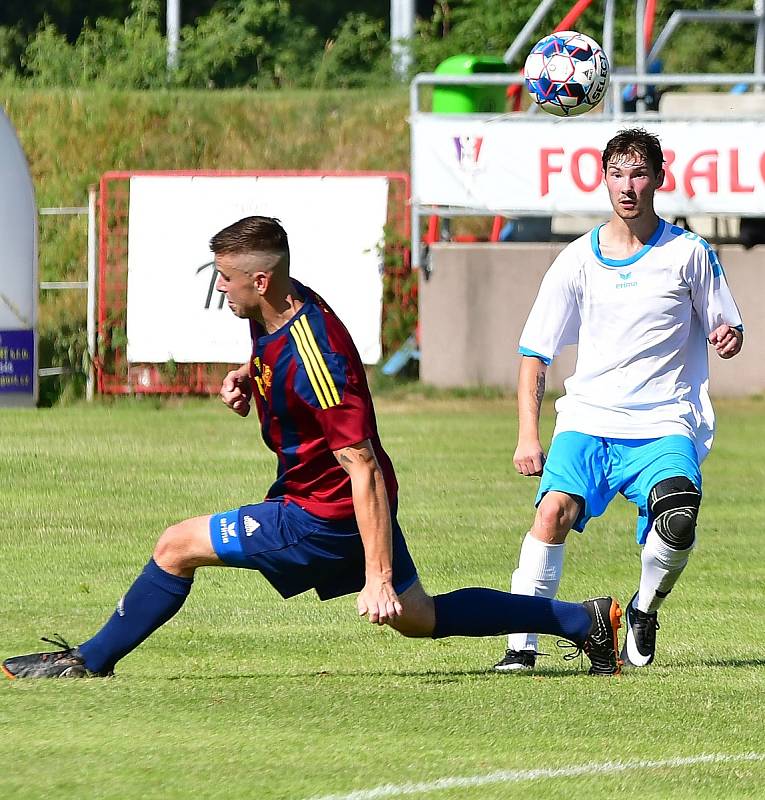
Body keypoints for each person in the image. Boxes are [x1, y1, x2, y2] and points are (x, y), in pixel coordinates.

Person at [3, 215, 622, 681]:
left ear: (262, 279)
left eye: (227, 278)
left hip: (322, 517)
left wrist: (375, 574)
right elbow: (274, 349)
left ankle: (87, 662)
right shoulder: (275, 307)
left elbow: (364, 466)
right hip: (329, 506)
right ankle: (582, 620)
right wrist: (250, 375)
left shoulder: (314, 353)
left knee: (176, 545)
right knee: (420, 616)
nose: (221, 288)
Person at [494, 128, 744, 674]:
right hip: (589, 419)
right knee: (552, 512)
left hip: (664, 422)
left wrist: (728, 338)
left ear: (658, 177)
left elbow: (728, 325)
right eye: (616, 173)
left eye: (637, 174)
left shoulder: (690, 254)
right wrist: (528, 435)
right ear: (602, 177)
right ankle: (521, 646)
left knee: (678, 520)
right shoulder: (576, 260)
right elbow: (535, 354)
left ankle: (643, 609)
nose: (626, 187)